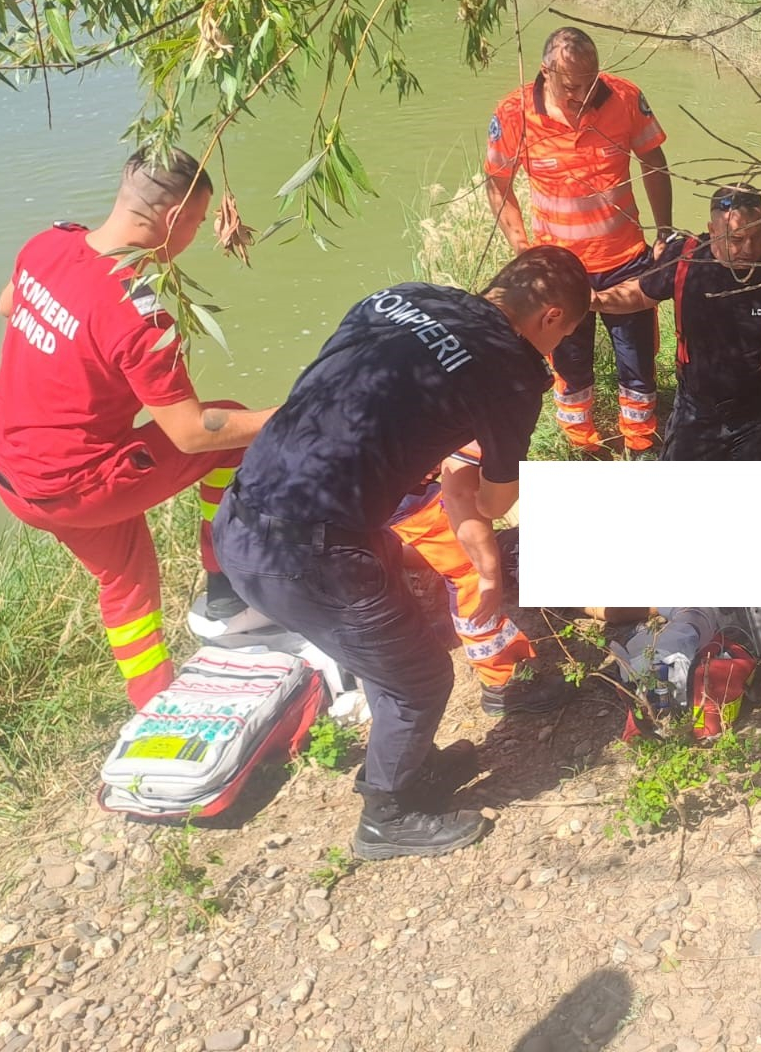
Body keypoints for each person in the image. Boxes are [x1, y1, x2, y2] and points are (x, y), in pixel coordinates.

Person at [212, 248, 590, 862]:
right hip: (305, 551)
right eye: (566, 334)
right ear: (550, 317)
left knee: (396, 650)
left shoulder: (404, 294)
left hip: (244, 514)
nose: (558, 347)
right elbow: (494, 503)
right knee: (419, 677)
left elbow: (350, 398)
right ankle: (386, 818)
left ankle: (408, 769)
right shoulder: (514, 373)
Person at [0, 149, 275, 708]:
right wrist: (294, 414)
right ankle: (225, 588)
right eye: (198, 221)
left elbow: (7, 304)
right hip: (80, 484)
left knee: (126, 579)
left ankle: (153, 703)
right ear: (174, 219)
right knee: (232, 428)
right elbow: (193, 433)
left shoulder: (46, 246)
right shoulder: (138, 317)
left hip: (16, 478)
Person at [484, 27, 674, 457]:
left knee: (638, 362)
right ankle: (582, 443)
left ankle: (640, 444)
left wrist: (664, 232)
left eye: (590, 83)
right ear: (545, 71)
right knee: (568, 366)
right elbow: (497, 184)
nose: (583, 95)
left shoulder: (624, 98)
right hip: (557, 269)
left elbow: (654, 163)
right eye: (572, 86)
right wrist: (523, 251)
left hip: (625, 260)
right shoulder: (515, 113)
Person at [592, 185, 761, 460]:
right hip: (696, 406)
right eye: (736, 239)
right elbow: (641, 294)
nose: (749, 248)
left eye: (757, 236)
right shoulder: (685, 258)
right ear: (712, 231)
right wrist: (597, 301)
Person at [389, 442, 565, 717]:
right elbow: (462, 492)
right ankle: (502, 682)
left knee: (468, 554)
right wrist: (488, 574)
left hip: (370, 482)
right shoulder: (480, 412)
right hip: (392, 489)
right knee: (470, 574)